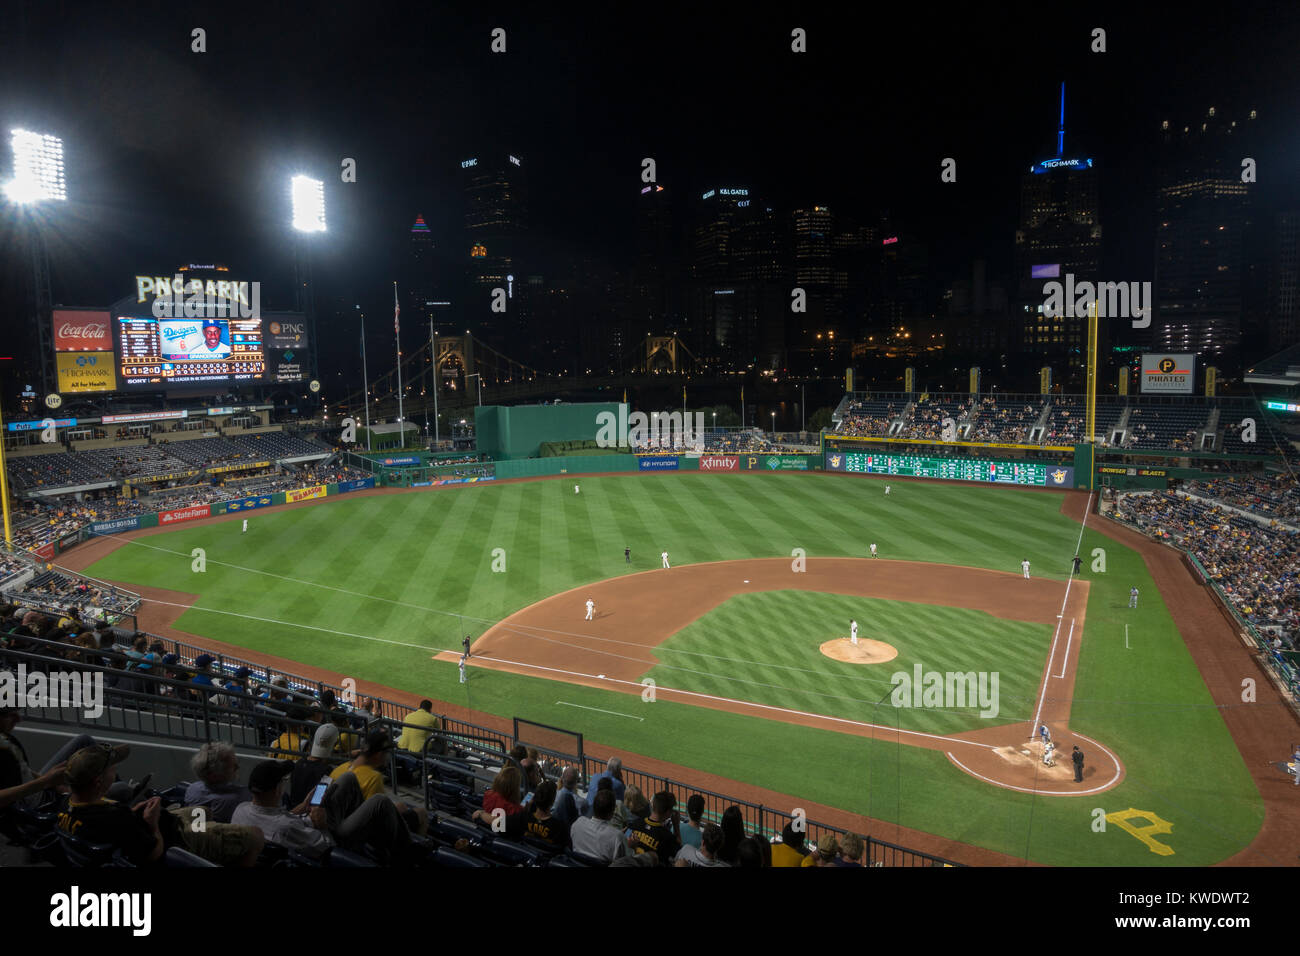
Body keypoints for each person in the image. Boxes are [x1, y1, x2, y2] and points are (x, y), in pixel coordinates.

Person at [183, 742, 251, 823]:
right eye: (233, 766)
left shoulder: (192, 789)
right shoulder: (238, 798)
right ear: (215, 775)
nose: (237, 767)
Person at [569, 788, 626, 863]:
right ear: (612, 813)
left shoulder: (577, 823)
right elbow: (622, 863)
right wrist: (631, 847)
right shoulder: (617, 837)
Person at [626, 791, 680, 866]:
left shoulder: (636, 823)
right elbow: (679, 852)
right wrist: (676, 826)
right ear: (668, 812)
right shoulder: (666, 836)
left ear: (653, 805)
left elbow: (625, 840)